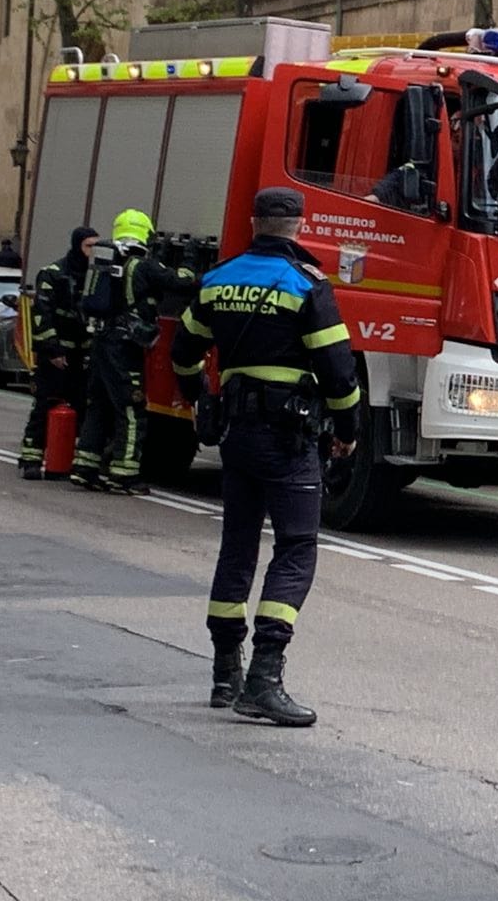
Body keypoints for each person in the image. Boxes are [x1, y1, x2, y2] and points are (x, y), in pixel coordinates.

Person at [172, 187, 359, 727]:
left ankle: (224, 674)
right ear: (301, 224)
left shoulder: (216, 280)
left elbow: (184, 352)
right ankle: (265, 678)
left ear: (254, 221)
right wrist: (346, 430)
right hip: (289, 438)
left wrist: (199, 398)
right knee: (297, 548)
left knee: (237, 548)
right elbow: (339, 373)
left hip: (236, 433)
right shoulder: (307, 285)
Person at [71, 209, 193, 495]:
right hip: (124, 348)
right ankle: (124, 474)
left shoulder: (106, 261)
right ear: (144, 234)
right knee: (131, 409)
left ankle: (85, 467)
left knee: (99, 406)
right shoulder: (142, 265)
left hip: (102, 341)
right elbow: (183, 282)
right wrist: (187, 258)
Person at [17, 228, 98, 480]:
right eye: (88, 246)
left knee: (83, 409)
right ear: (76, 246)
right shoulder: (53, 274)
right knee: (46, 403)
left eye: (96, 247)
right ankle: (31, 459)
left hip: (82, 355)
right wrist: (53, 349)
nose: (92, 252)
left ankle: (67, 461)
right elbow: (42, 313)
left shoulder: (96, 277)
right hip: (55, 355)